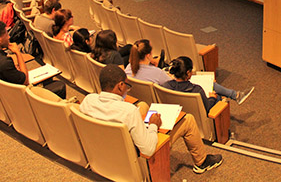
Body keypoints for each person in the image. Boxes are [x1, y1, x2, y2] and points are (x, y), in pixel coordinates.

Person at [80, 64, 223, 174]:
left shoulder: (88, 100)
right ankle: (202, 161)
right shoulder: (129, 112)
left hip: (104, 149)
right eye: (127, 86)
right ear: (120, 86)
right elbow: (148, 150)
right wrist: (153, 126)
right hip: (135, 155)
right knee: (188, 120)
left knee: (142, 105)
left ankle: (143, 127)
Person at [126, 40, 254, 105]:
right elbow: (171, 83)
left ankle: (234, 95)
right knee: (209, 83)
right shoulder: (156, 73)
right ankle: (234, 96)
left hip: (144, 101)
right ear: (148, 55)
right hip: (173, 96)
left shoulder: (128, 68)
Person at [0, 20, 66, 98]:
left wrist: (14, 69)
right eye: (6, 34)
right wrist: (18, 53)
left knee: (48, 80)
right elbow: (25, 81)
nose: (9, 37)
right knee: (59, 86)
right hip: (17, 98)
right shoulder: (4, 63)